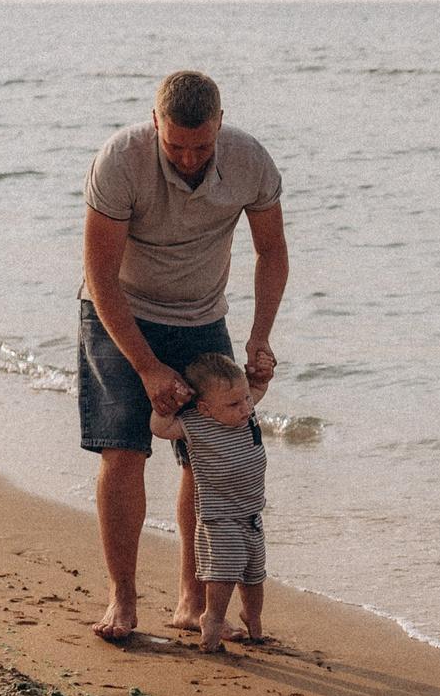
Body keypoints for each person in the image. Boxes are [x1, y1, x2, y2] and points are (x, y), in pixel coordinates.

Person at [78, 70, 289, 642]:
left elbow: (271, 252)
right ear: (156, 124)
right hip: (120, 308)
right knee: (124, 449)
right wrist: (147, 367)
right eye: (176, 146)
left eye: (202, 146)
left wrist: (261, 336)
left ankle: (193, 600)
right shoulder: (120, 161)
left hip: (201, 315)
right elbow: (100, 274)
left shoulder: (249, 161)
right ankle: (123, 598)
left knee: (209, 455)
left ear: (220, 124)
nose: (190, 159)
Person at [151, 353, 270, 654]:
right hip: (219, 518)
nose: (246, 407)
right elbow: (160, 428)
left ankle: (253, 617)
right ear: (204, 408)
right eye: (234, 404)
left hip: (252, 515)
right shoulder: (195, 425)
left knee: (254, 576)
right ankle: (212, 620)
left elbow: (256, 390)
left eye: (246, 398)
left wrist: (261, 378)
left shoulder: (245, 413)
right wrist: (168, 406)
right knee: (223, 576)